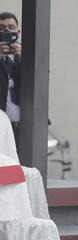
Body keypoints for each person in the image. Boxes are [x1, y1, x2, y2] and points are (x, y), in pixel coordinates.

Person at [0, 12, 21, 145]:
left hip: (24, 124)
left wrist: (24, 57)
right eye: (1, 28)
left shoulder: (29, 52)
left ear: (18, 31)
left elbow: (42, 77)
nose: (7, 31)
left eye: (11, 27)